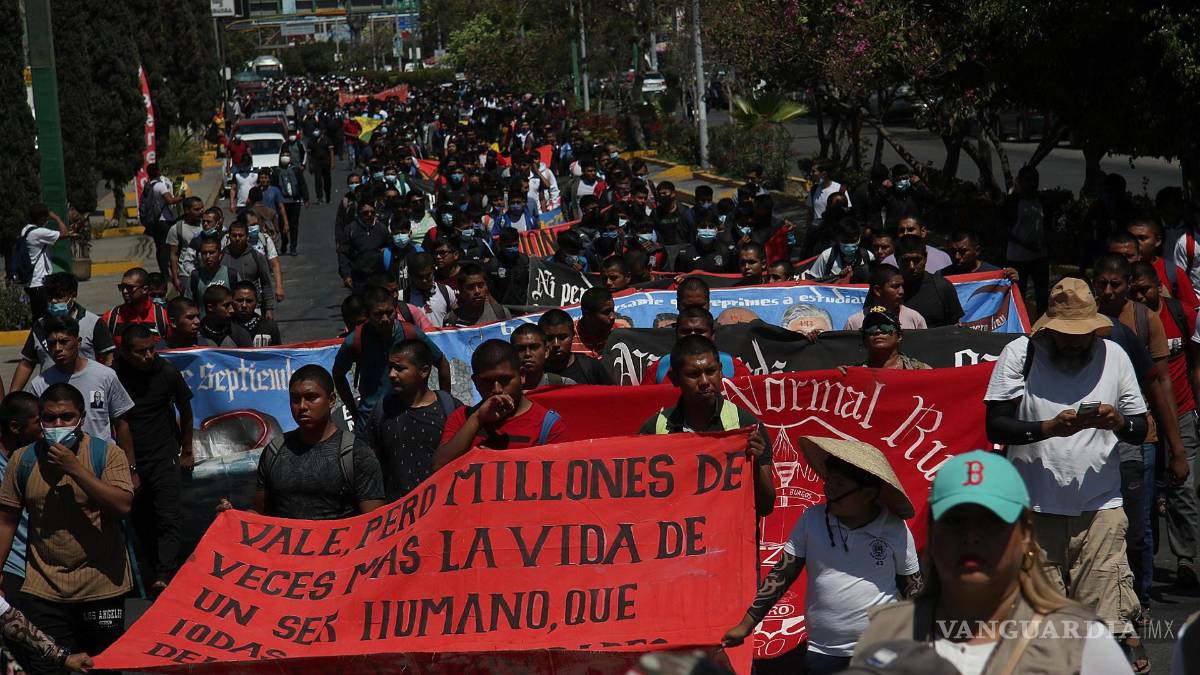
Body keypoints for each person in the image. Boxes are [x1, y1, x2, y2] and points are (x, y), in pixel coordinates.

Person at [984, 278, 1149, 671]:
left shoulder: (1114, 355)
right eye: (1067, 336)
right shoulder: (1019, 353)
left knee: (1103, 623)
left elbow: (1141, 428)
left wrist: (1117, 421)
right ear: (1049, 330)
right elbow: (995, 426)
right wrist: (1047, 428)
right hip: (1032, 510)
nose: (1076, 343)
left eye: (1084, 335)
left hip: (1100, 510)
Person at [854, 451, 1132, 675]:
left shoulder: (1081, 641)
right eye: (954, 520)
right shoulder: (884, 632)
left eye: (991, 521)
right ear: (932, 534)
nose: (971, 536)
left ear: (1025, 534)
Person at [722, 436, 919, 674]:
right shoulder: (811, 519)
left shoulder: (894, 528)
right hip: (823, 651)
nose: (828, 490)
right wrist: (746, 625)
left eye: (839, 485)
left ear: (868, 494)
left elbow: (912, 586)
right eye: (829, 481)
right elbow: (782, 574)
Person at [0, 383, 133, 673]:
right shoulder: (22, 460)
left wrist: (75, 469)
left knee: (102, 666)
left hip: (102, 588)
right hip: (45, 590)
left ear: (81, 418)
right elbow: (7, 519)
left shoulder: (107, 455)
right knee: (47, 667)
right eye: (49, 418)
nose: (57, 425)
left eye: (66, 417)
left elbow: (122, 505)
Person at [1093, 254, 1189, 608]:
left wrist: (1176, 448)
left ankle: (1140, 598)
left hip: (1140, 437)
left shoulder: (1143, 322)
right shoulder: (1081, 321)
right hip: (1093, 439)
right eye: (1101, 283)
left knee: (1139, 528)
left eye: (1115, 284)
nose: (1107, 291)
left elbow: (1161, 383)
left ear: (1127, 285)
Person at [218, 366, 385, 519]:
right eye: (295, 399)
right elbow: (260, 515)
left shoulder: (356, 454)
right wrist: (233, 517)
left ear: (332, 400)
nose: (302, 406)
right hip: (283, 551)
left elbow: (374, 523)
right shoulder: (275, 451)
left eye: (312, 397)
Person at [638, 335, 774, 516]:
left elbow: (766, 507)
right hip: (676, 540)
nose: (704, 381)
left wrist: (755, 464)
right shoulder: (654, 429)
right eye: (693, 375)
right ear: (674, 378)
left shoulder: (747, 426)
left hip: (730, 541)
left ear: (721, 371)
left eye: (710, 371)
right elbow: (640, 504)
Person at [1129, 262, 1200, 589]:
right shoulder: (1131, 321)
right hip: (1142, 412)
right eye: (1135, 290)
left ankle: (1185, 558)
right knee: (1143, 485)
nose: (1140, 295)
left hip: (1182, 409)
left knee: (1182, 485)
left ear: (1159, 286)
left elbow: (1195, 364)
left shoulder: (1183, 314)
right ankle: (1147, 556)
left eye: (1145, 288)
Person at [114, 324, 193, 597]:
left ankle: (165, 574)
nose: (148, 356)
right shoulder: (115, 376)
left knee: (169, 515)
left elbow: (186, 408)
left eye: (151, 349)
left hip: (163, 454)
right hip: (131, 458)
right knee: (142, 518)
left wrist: (187, 450)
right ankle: (153, 571)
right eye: (140, 352)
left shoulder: (167, 372)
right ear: (125, 353)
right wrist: (130, 467)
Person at [434, 340, 569, 469]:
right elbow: (439, 465)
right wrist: (477, 419)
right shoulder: (463, 418)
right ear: (475, 382)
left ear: (521, 375)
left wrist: (501, 464)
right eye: (487, 382)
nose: (497, 389)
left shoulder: (548, 425)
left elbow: (557, 478)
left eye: (505, 380)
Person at [23, 316, 136, 469]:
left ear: (78, 341)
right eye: (51, 344)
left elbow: (122, 422)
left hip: (102, 464)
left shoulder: (104, 376)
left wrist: (129, 467)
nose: (57, 349)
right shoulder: (39, 384)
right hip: (57, 466)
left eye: (64, 342)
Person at [332, 287, 451, 425]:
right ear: (368, 314)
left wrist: (444, 406)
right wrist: (353, 411)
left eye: (389, 313)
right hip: (370, 419)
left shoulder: (410, 333)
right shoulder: (356, 340)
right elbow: (338, 374)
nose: (385, 319)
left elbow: (442, 363)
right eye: (378, 314)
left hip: (407, 416)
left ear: (396, 309)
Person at [361, 341, 462, 502]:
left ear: (424, 371)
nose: (392, 375)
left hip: (442, 510)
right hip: (397, 516)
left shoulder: (450, 409)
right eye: (390, 368)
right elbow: (368, 465)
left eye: (400, 368)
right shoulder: (382, 410)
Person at [11, 273, 115, 393]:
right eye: (50, 297)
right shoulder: (40, 326)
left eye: (59, 297)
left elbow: (109, 358)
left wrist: (105, 389)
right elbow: (26, 364)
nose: (54, 301)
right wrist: (12, 397)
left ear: (73, 296)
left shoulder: (93, 322)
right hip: (50, 396)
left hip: (85, 393)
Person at [641, 308, 752, 385]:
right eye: (686, 331)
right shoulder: (659, 369)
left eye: (700, 331)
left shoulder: (734, 367)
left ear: (712, 335)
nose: (692, 336)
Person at [1004, 166, 1052, 316]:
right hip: (1018, 257)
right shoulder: (1012, 203)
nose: (1032, 184)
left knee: (1042, 295)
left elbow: (1048, 226)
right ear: (1020, 182)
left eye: (1035, 181)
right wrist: (1025, 244)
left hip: (1039, 256)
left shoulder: (1041, 201)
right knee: (1018, 293)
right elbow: (1004, 230)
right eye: (1028, 180)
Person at [894, 235, 964, 327]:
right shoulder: (885, 290)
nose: (911, 266)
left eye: (917, 260)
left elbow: (955, 328)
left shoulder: (943, 287)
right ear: (896, 259)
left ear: (925, 257)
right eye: (906, 261)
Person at [841, 307, 931, 371]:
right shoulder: (853, 374)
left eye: (885, 326)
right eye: (871, 327)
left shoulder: (920, 370)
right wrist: (839, 377)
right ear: (865, 340)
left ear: (899, 336)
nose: (878, 331)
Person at [843, 264, 929, 330]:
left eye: (902, 286)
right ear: (877, 290)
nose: (901, 292)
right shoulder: (855, 322)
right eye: (895, 287)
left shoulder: (915, 318)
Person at [539, 309, 613, 385]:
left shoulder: (591, 367)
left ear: (572, 335)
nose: (556, 344)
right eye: (549, 338)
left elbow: (612, 394)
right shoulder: (532, 372)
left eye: (562, 337)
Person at [222, 220, 276, 318]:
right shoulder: (221, 257)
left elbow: (266, 283)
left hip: (253, 309)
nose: (237, 238)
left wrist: (269, 309)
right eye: (234, 235)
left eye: (240, 235)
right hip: (228, 310)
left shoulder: (257, 256)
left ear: (247, 237)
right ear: (229, 236)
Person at [103, 267, 170, 346]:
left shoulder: (162, 317)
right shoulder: (110, 318)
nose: (124, 291)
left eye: (130, 288)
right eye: (122, 287)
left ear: (145, 289)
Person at [804, 219, 873, 282]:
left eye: (853, 241)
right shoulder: (826, 256)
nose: (849, 245)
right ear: (838, 238)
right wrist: (838, 278)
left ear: (859, 238)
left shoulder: (868, 257)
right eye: (846, 241)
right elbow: (812, 282)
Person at [442, 263, 511, 327]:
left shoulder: (501, 314)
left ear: (487, 287)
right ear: (461, 291)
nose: (477, 291)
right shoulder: (451, 319)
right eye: (470, 287)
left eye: (481, 286)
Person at [144, 164, 184, 274]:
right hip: (164, 220)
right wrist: (181, 197)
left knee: (160, 247)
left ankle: (164, 272)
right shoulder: (160, 186)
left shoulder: (148, 186)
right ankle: (169, 272)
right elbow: (170, 200)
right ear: (157, 171)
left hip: (154, 221)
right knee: (168, 247)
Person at [512, 324, 578, 390]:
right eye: (520, 349)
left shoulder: (566, 386)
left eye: (534, 347)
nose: (527, 354)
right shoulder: (505, 390)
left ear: (546, 351)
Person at [941, 229, 1019, 280]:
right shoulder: (944, 276)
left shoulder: (994, 275)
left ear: (977, 250)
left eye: (963, 251)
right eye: (953, 251)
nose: (957, 256)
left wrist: (1012, 279)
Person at [166, 196, 207, 293]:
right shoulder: (177, 228)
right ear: (187, 210)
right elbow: (173, 255)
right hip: (186, 273)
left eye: (202, 208)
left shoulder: (206, 224)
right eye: (197, 209)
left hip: (205, 271)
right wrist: (175, 277)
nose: (201, 211)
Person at [405, 252, 457, 327]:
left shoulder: (446, 291)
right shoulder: (403, 297)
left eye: (428, 275)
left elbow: (457, 315)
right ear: (410, 274)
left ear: (433, 270)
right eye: (420, 277)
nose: (424, 280)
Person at [186, 237, 240, 309]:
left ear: (220, 254)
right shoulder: (195, 276)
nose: (208, 256)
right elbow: (188, 304)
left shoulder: (231, 275)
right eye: (204, 253)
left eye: (211, 253)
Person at [484, 227, 529, 305]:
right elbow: (489, 292)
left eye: (515, 245)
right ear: (501, 245)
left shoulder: (524, 260)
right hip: (503, 311)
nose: (512, 248)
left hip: (523, 308)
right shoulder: (492, 266)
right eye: (509, 246)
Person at [276, 149, 309, 255]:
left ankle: (293, 247)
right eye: (283, 156)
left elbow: (302, 184)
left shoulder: (296, 170)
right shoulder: (277, 171)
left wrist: (306, 198)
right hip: (282, 202)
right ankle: (284, 242)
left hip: (295, 201)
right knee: (282, 225)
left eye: (287, 155)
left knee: (294, 224)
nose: (285, 157)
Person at [232, 281, 282, 347]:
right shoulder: (225, 327)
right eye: (239, 300)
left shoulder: (269, 326)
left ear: (256, 302)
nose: (244, 305)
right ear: (232, 301)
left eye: (249, 301)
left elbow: (279, 353)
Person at [573, 287, 616, 359]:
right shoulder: (569, 336)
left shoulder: (618, 333)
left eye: (613, 310)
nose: (613, 316)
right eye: (606, 312)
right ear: (588, 315)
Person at [309, 129, 335, 203]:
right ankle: (319, 197)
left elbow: (331, 151)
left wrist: (332, 162)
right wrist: (310, 165)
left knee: (327, 180)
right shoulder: (311, 141)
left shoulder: (327, 140)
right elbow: (310, 155)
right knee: (317, 180)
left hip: (326, 163)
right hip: (316, 163)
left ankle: (328, 197)